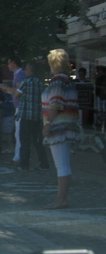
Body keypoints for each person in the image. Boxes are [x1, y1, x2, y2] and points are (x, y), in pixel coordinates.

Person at [42, 49, 80, 209]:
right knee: (65, 164)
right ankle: (62, 198)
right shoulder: (67, 81)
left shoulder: (57, 81)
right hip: (68, 126)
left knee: (61, 165)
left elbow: (55, 103)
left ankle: (61, 199)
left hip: (59, 127)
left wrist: (48, 123)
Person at [2, 63, 49, 171]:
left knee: (25, 141)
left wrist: (9, 89)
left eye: (27, 69)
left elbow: (17, 95)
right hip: (37, 116)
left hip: (26, 115)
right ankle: (44, 163)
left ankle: (24, 164)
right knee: (38, 142)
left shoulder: (25, 82)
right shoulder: (40, 84)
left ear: (30, 70)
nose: (25, 71)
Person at [7, 57, 26, 165]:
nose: (8, 66)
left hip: (20, 107)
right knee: (18, 133)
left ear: (13, 62)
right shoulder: (17, 75)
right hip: (18, 106)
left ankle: (18, 156)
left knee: (19, 133)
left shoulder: (20, 74)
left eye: (9, 63)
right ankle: (18, 155)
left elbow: (19, 91)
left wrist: (6, 88)